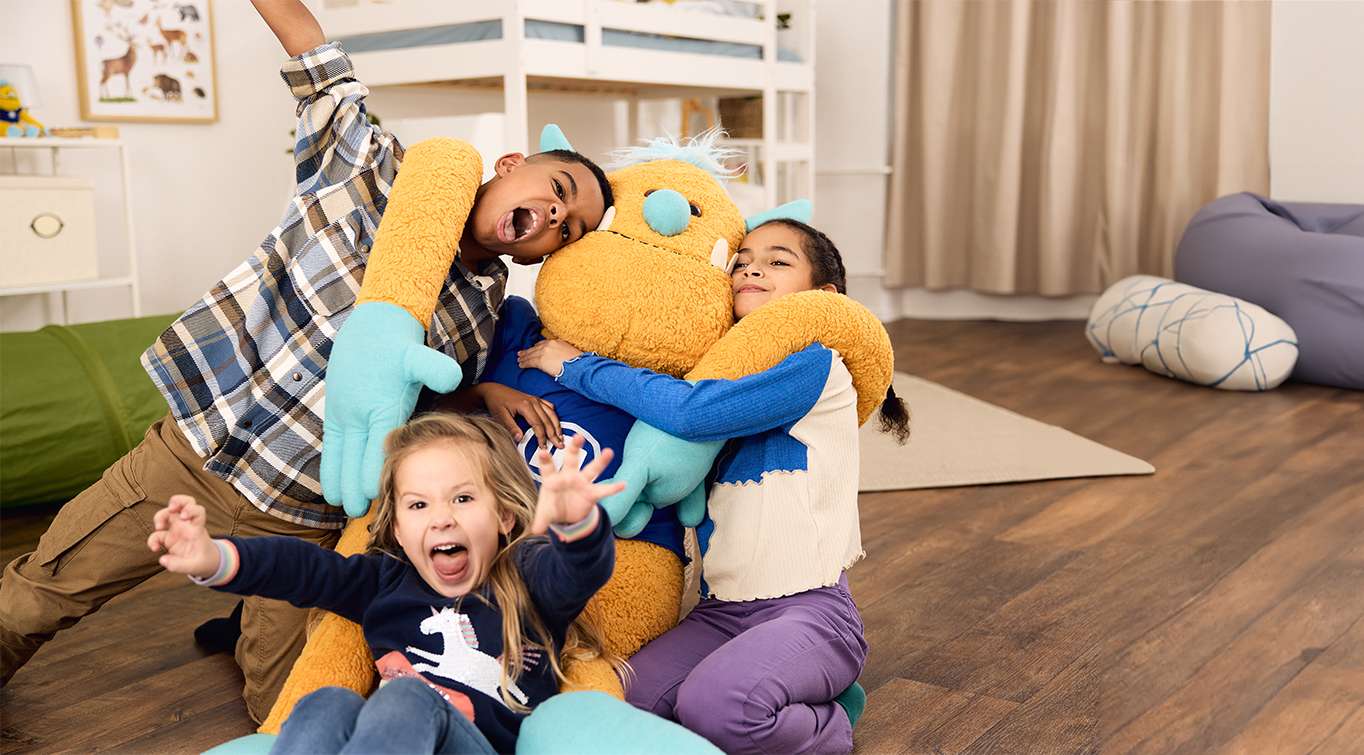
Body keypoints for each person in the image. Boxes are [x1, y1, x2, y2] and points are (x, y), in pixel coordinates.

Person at [0, 0, 610, 722]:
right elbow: (312, 49)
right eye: (558, 192)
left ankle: (239, 632)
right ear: (512, 165)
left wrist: (486, 393)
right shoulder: (369, 166)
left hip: (302, 514)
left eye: (567, 231)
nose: (553, 219)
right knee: (39, 593)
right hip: (198, 456)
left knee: (283, 710)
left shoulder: (485, 305)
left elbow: (414, 403)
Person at [518, 218, 910, 754]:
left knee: (716, 705)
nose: (751, 267)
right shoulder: (723, 367)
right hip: (721, 612)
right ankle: (774, 698)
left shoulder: (819, 363)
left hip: (811, 612)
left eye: (778, 261)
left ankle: (831, 722)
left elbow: (693, 412)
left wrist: (578, 366)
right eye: (741, 260)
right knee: (621, 701)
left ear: (824, 297)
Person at [149, 413, 622, 754]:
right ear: (396, 528)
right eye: (419, 505)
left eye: (461, 497)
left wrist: (575, 524)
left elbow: (577, 570)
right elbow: (302, 569)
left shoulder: (527, 577)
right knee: (326, 702)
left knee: (404, 696)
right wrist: (213, 557)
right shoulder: (383, 583)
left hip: (474, 744)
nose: (441, 519)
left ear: (503, 515)